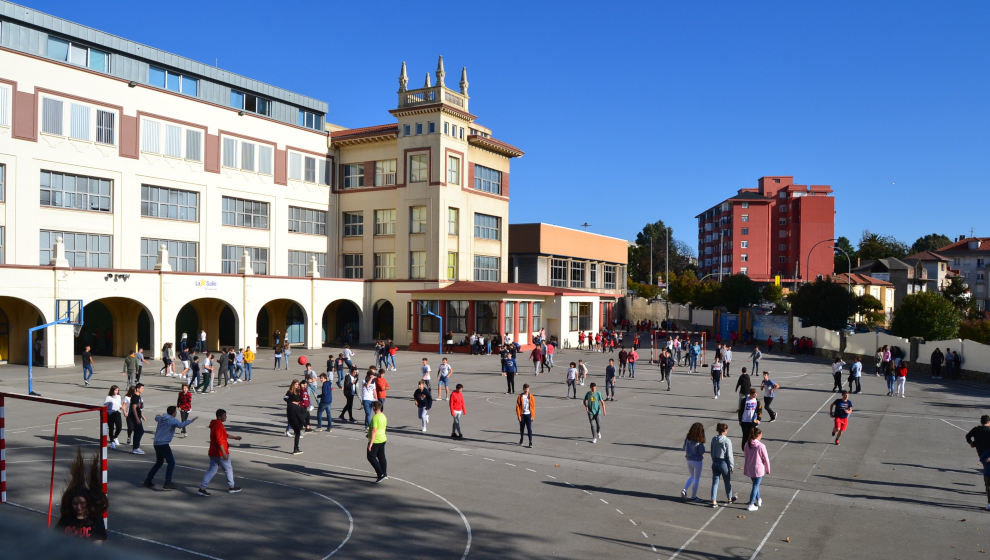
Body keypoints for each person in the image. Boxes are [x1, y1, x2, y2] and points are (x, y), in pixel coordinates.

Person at [143, 405, 197, 490]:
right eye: (175, 412)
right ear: (173, 413)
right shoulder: (172, 420)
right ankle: (167, 483)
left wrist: (157, 415)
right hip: (163, 444)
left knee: (159, 462)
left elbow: (157, 417)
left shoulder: (162, 418)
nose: (176, 413)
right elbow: (180, 425)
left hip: (156, 442)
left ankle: (147, 481)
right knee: (171, 462)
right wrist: (190, 421)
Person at [197, 409, 242, 495]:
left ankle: (202, 488)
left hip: (213, 452)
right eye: (224, 415)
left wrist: (235, 437)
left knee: (212, 470)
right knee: (228, 469)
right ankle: (232, 487)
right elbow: (220, 440)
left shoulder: (215, 424)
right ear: (219, 417)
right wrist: (224, 453)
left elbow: (224, 435)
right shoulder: (219, 426)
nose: (226, 417)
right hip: (220, 453)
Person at [964, 415, 990, 511]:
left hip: (981, 455)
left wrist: (971, 443)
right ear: (989, 421)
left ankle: (988, 490)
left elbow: (967, 436)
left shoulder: (976, 429)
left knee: (987, 473)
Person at [743, 427, 770, 512]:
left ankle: (758, 499)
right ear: (758, 435)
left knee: (755, 484)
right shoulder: (761, 446)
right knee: (755, 485)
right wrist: (768, 469)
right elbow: (766, 459)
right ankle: (751, 504)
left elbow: (746, 457)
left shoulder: (747, 444)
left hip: (750, 468)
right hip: (758, 469)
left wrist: (746, 467)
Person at [710, 423, 736, 508]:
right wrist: (731, 466)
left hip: (715, 461)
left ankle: (714, 501)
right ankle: (729, 498)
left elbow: (712, 450)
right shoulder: (727, 440)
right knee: (727, 482)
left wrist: (713, 460)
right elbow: (729, 454)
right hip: (723, 462)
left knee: (715, 482)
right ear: (724, 430)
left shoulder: (714, 439)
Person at [681, 423, 706, 502]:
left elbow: (684, 447)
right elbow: (702, 451)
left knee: (691, 476)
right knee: (696, 479)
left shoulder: (688, 438)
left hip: (689, 459)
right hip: (697, 461)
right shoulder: (699, 441)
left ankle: (684, 490)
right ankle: (693, 496)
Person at [367, 401, 388, 483]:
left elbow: (374, 430)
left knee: (371, 457)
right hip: (383, 438)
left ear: (374, 408)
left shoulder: (375, 418)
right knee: (381, 457)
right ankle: (385, 473)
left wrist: (371, 443)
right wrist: (368, 434)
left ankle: (380, 474)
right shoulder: (383, 416)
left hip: (376, 440)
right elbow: (380, 428)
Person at [285, 380, 307, 454]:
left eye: (298, 384)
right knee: (297, 429)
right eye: (296, 384)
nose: (297, 385)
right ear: (293, 384)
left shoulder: (298, 391)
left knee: (297, 431)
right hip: (292, 409)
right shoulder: (290, 392)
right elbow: (285, 398)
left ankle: (296, 448)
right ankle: (296, 449)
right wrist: (291, 402)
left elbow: (301, 398)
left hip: (296, 408)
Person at [129, 383, 146, 454]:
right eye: (142, 388)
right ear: (137, 389)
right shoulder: (135, 396)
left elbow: (138, 408)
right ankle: (136, 448)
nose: (143, 389)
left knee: (137, 432)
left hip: (138, 416)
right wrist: (137, 418)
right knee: (140, 431)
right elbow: (133, 408)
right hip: (135, 417)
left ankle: (136, 448)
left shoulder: (139, 396)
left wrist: (142, 416)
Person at [516, 384, 535, 448]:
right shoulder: (520, 396)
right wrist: (519, 415)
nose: (527, 390)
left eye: (528, 389)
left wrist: (532, 416)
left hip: (529, 415)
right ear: (523, 389)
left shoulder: (531, 396)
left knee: (529, 429)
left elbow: (533, 407)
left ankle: (530, 442)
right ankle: (521, 440)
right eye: (525, 389)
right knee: (522, 429)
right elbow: (518, 406)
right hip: (522, 415)